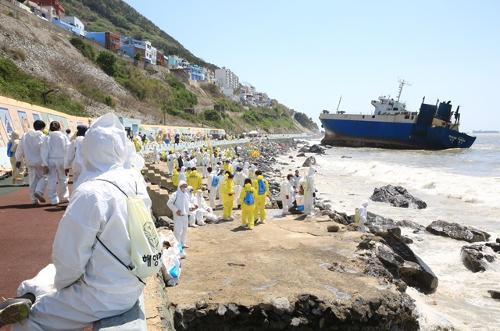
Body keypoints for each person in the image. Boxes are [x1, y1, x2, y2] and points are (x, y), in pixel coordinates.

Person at [0, 113, 151, 330]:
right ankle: (31, 292)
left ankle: (32, 296)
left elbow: (69, 258)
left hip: (103, 295)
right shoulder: (134, 179)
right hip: (133, 283)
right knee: (51, 271)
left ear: (88, 149)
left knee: (29, 319)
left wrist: (61, 287)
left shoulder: (91, 192)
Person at [15, 120, 48, 204]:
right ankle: (38, 191)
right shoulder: (43, 137)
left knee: (32, 179)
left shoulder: (25, 136)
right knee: (45, 177)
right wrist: (46, 163)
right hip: (40, 162)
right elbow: (44, 151)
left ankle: (33, 199)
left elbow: (20, 148)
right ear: (43, 128)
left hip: (29, 161)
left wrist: (18, 159)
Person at [41, 121, 70, 205]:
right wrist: (67, 163)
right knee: (63, 179)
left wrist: (45, 164)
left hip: (51, 160)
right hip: (62, 160)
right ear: (59, 127)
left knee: (51, 180)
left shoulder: (47, 137)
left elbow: (44, 151)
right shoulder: (63, 136)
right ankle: (64, 197)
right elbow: (68, 149)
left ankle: (54, 199)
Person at [167, 180, 190, 249]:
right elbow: (169, 203)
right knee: (178, 231)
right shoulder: (175, 194)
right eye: (183, 186)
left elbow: (187, 204)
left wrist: (192, 207)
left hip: (185, 215)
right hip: (178, 216)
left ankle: (182, 243)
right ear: (179, 186)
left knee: (184, 229)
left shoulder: (186, 194)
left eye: (185, 186)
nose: (184, 187)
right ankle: (177, 245)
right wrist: (176, 210)